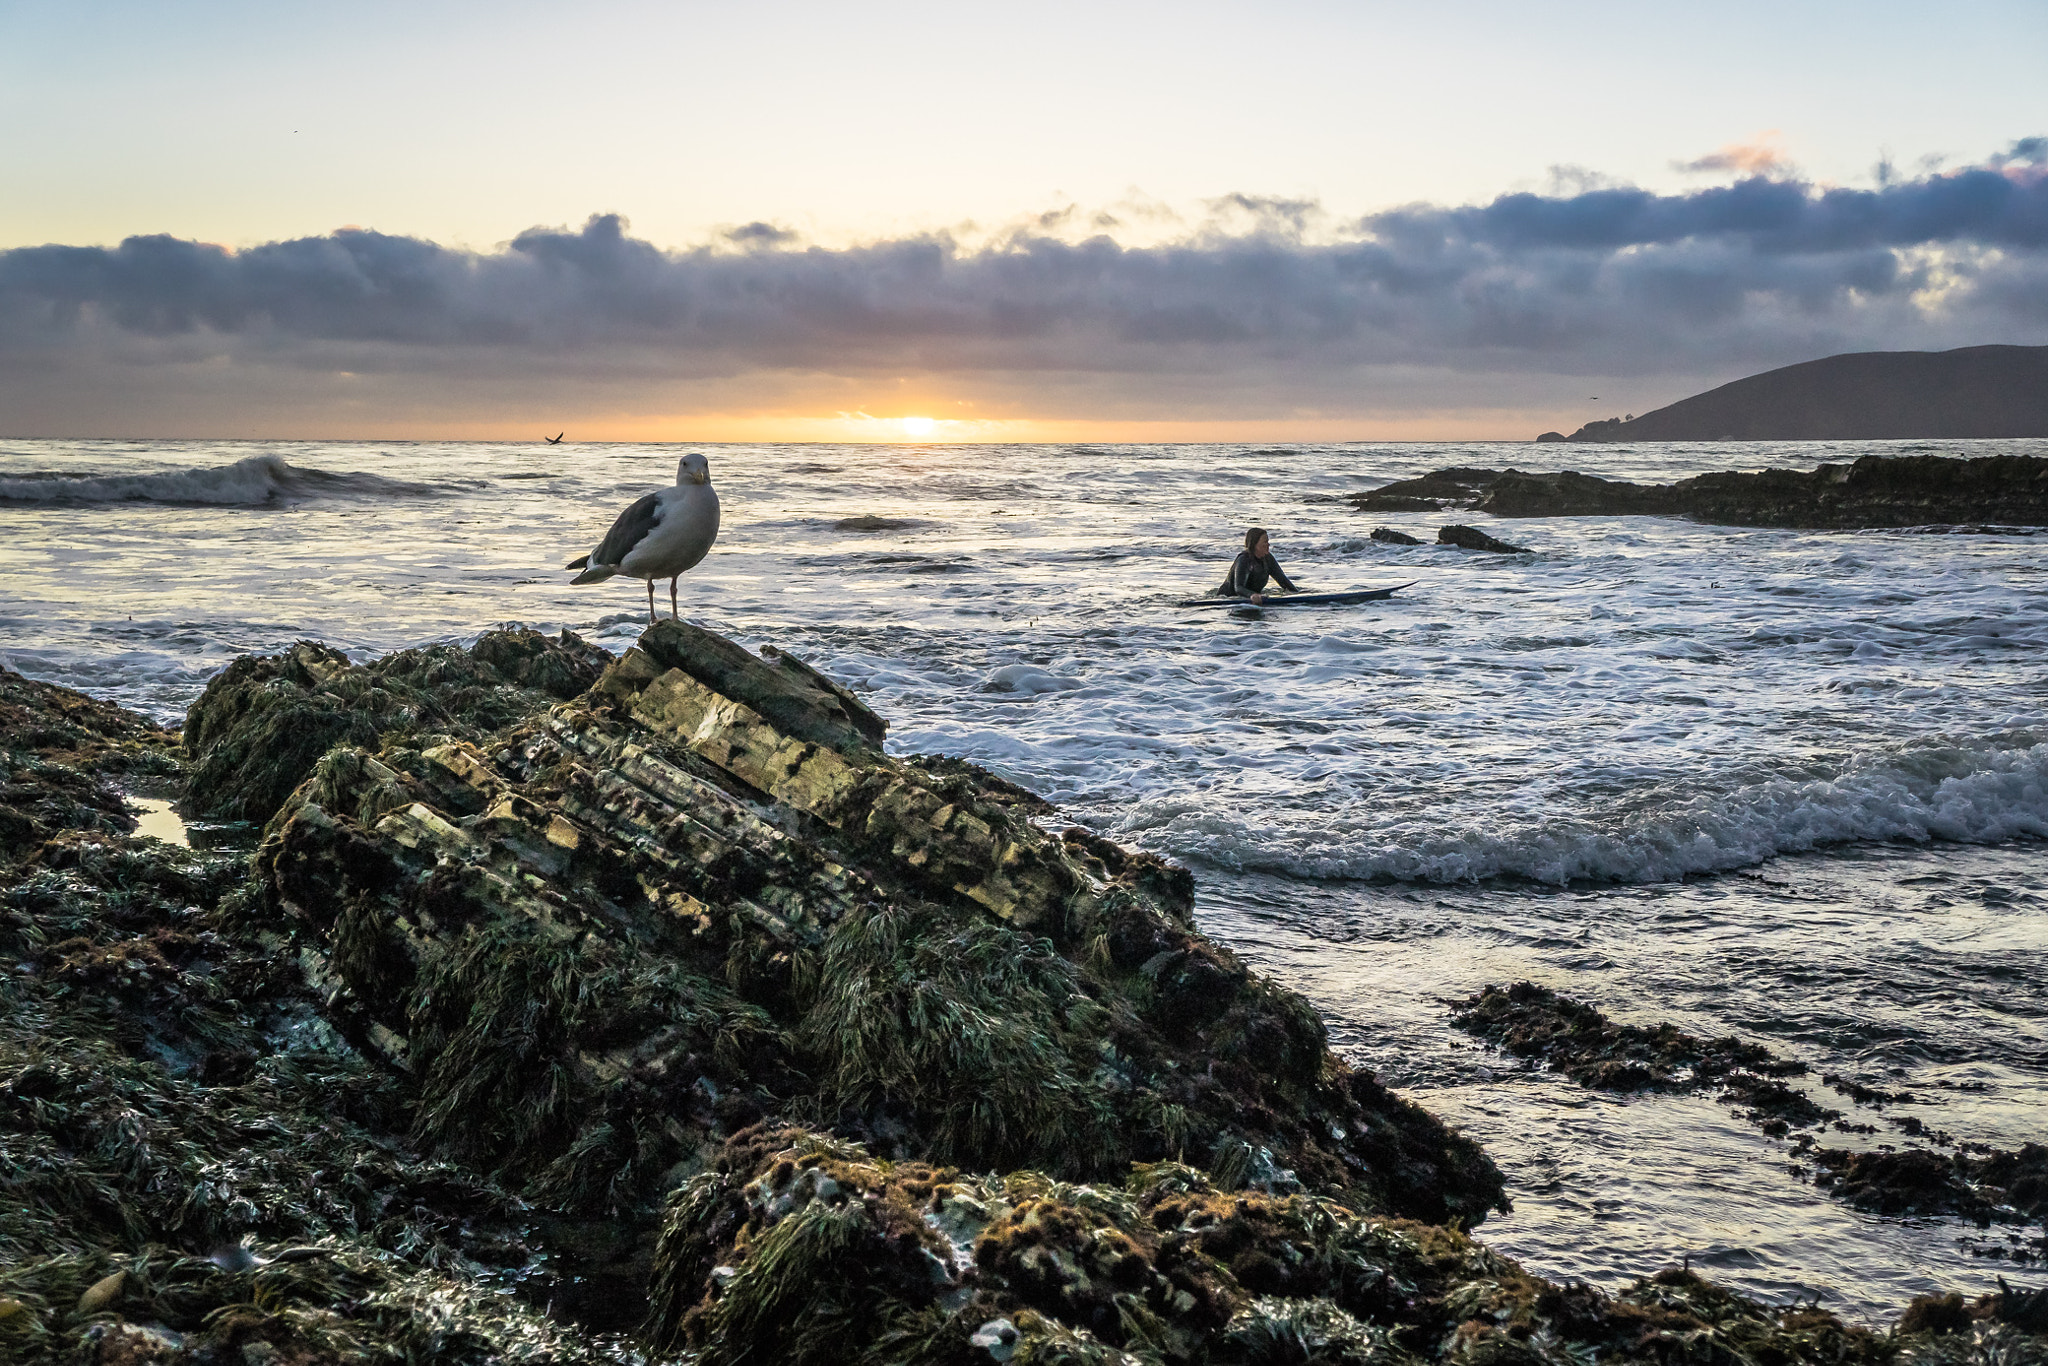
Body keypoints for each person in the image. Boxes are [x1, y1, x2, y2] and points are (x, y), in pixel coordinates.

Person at [1217, 527, 1298, 603]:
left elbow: (1283, 581)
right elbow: (1239, 588)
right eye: (1265, 542)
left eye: (1268, 541)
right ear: (1255, 544)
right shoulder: (1244, 559)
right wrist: (1251, 595)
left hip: (1252, 599)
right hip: (1229, 599)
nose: (1268, 545)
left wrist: (1297, 594)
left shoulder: (1268, 559)